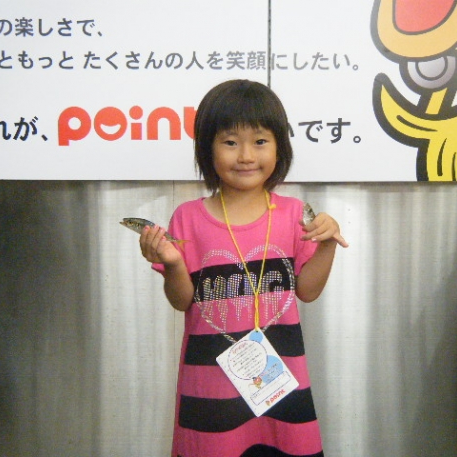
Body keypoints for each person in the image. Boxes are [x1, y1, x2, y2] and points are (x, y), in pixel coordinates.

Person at [139, 79, 348, 457]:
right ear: (207, 149)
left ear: (280, 147)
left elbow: (308, 291)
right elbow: (181, 300)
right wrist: (172, 264)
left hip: (281, 386)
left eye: (260, 141)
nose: (247, 155)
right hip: (210, 390)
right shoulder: (187, 218)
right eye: (231, 142)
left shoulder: (294, 215)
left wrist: (327, 243)